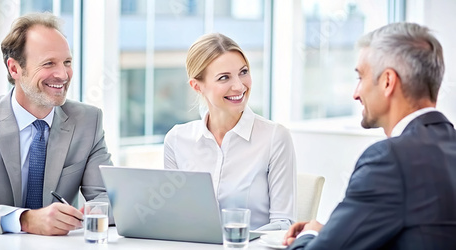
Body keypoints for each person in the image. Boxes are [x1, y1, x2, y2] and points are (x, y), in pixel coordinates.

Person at [283, 22, 456, 249]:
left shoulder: (390, 160)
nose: (356, 94)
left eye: (360, 77)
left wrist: (311, 236)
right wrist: (334, 232)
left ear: (387, 82)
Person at [0, 12, 112, 236]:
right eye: (49, 63)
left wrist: (84, 214)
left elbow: (107, 198)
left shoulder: (89, 121)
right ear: (14, 69)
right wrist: (25, 220)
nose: (63, 74)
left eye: (67, 62)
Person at [163, 33, 296, 230]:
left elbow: (283, 224)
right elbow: (173, 217)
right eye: (224, 77)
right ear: (197, 86)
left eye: (243, 72)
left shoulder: (275, 137)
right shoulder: (176, 140)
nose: (239, 86)